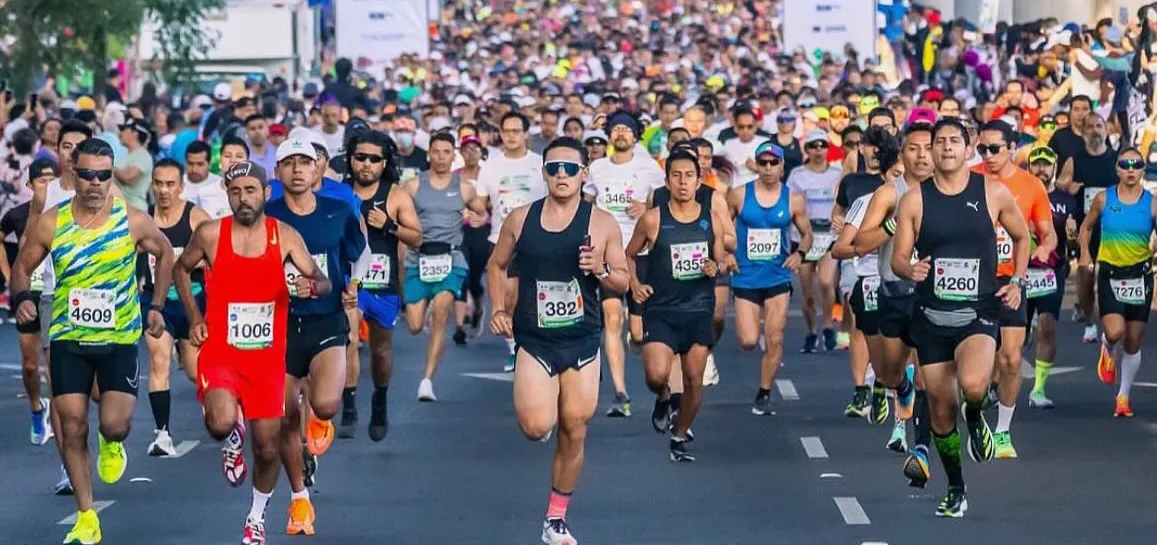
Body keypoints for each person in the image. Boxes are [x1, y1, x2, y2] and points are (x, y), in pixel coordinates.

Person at [11, 137, 173, 543]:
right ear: (73, 174)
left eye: (103, 174)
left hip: (118, 338)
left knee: (114, 424)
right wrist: (21, 299)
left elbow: (165, 252)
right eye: (87, 175)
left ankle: (112, 442)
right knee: (71, 424)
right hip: (68, 336)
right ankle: (86, 515)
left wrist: (155, 305)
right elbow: (21, 266)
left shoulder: (132, 219)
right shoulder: (52, 222)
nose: (96, 183)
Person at [174, 160, 332, 544]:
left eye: (250, 190)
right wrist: (195, 316)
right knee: (220, 422)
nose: (243, 198)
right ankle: (230, 440)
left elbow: (321, 279)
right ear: (227, 195)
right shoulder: (211, 234)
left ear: (265, 193)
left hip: (266, 360)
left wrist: (317, 288)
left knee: (266, 448)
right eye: (235, 191)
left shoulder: (285, 236)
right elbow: (181, 269)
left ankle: (256, 517)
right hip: (222, 353)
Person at [486, 137, 629, 545]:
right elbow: (496, 265)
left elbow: (623, 278)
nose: (562, 175)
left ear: (585, 173)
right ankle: (541, 411)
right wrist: (498, 309)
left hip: (582, 340)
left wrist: (600, 268)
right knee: (535, 427)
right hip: (535, 339)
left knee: (575, 428)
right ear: (543, 173)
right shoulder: (520, 218)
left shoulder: (601, 222)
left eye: (570, 168)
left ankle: (556, 519)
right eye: (554, 168)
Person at [890, 118, 1029, 518]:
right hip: (932, 316)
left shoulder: (992, 192)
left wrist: (1017, 279)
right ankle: (956, 487)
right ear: (930, 151)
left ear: (969, 149)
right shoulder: (915, 199)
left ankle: (976, 413)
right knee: (940, 409)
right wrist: (908, 270)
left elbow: (1023, 237)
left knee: (971, 386)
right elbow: (900, 257)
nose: (947, 147)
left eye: (955, 141)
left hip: (978, 312)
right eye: (940, 142)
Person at [265, 138, 367, 535]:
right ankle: (299, 499)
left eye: (304, 162)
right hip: (280, 325)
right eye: (288, 163)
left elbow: (362, 251)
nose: (296, 169)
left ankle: (320, 420)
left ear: (318, 169)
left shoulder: (339, 211)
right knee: (286, 417)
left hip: (327, 320)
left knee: (324, 404)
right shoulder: (266, 214)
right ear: (277, 173)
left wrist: (354, 284)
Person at [627, 147, 726, 462]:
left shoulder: (711, 219)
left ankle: (679, 435)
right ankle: (664, 396)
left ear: (699, 181)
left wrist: (715, 267)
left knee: (695, 379)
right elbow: (629, 255)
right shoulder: (653, 219)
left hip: (698, 307)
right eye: (676, 176)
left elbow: (721, 258)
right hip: (662, 309)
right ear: (667, 181)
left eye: (689, 176)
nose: (683, 182)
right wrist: (635, 285)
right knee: (656, 375)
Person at [853, 122, 936, 487]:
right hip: (894, 293)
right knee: (888, 374)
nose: (922, 155)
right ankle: (898, 387)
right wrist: (892, 226)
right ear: (902, 154)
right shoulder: (890, 193)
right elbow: (859, 243)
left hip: (936, 297)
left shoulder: (957, 190)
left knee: (931, 376)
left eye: (928, 147)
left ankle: (921, 450)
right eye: (913, 148)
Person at [973, 120, 1057, 459]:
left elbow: (1046, 232)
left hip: (1011, 281)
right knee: (974, 366)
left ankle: (1003, 431)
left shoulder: (1030, 185)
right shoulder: (969, 179)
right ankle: (975, 414)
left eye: (995, 148)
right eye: (982, 149)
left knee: (1010, 358)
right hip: (972, 280)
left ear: (1011, 147)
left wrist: (1041, 248)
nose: (988, 156)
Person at [582, 111, 665, 417]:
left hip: (640, 255)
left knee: (640, 334)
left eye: (626, 130)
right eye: (615, 129)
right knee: (611, 319)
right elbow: (586, 206)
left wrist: (646, 206)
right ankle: (620, 393)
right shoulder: (598, 168)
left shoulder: (648, 168)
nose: (620, 133)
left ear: (635, 137)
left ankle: (657, 380)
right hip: (607, 255)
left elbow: (664, 202)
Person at [727, 142, 810, 416]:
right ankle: (762, 381)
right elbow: (723, 229)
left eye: (773, 163)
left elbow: (807, 233)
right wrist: (725, 255)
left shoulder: (793, 199)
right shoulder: (739, 195)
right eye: (763, 163)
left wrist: (800, 254)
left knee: (774, 336)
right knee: (749, 340)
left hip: (777, 275)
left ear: (782, 165)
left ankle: (764, 392)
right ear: (756, 165)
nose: (768, 168)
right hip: (746, 276)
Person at [349, 130, 421, 439]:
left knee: (380, 349)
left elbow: (417, 237)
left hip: (383, 281)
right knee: (349, 339)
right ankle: (348, 404)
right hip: (350, 281)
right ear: (350, 160)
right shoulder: (338, 193)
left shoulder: (396, 195)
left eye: (373, 159)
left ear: (384, 163)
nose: (366, 164)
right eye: (360, 157)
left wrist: (389, 226)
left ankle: (379, 400)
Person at [140, 159, 211, 456]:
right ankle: (162, 434)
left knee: (196, 372)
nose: (164, 190)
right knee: (159, 360)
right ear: (152, 185)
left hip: (193, 302)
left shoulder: (195, 218)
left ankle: (220, 409)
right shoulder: (142, 221)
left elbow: (217, 255)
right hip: (157, 304)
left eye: (170, 184)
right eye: (158, 183)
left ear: (181, 187)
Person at [1079, 148, 1157, 418]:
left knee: (1134, 339)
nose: (1131, 169)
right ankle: (1107, 347)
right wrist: (1085, 254)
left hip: (1141, 275)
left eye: (1137, 165)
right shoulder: (1104, 198)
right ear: (1118, 169)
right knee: (1114, 332)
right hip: (1111, 273)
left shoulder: (1152, 202)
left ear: (1143, 170)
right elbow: (1086, 227)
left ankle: (1123, 397)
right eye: (1126, 165)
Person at [470, 112, 546, 371]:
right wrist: (475, 211)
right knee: (510, 297)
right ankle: (514, 347)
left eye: (516, 131)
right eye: (506, 131)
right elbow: (481, 202)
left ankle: (536, 343)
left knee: (535, 295)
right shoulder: (490, 166)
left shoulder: (540, 164)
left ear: (526, 134)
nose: (511, 136)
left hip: (537, 238)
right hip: (501, 237)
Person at [832, 127, 896, 423]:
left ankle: (891, 386)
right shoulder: (861, 195)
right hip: (867, 275)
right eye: (895, 174)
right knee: (863, 329)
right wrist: (872, 240)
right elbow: (841, 247)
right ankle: (864, 387)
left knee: (905, 340)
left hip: (903, 278)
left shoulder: (919, 199)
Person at [403, 133, 474, 401]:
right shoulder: (412, 186)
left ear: (453, 155)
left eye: (447, 152)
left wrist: (479, 214)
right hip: (417, 259)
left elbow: (481, 207)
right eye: (437, 151)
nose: (442, 157)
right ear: (428, 154)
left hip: (451, 259)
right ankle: (428, 307)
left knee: (442, 312)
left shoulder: (465, 187)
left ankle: (427, 381)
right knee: (413, 325)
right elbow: (399, 213)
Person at [0, 158, 57, 446]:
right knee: (31, 365)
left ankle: (59, 418)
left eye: (51, 180)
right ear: (29, 184)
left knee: (52, 363)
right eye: (41, 181)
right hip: (25, 294)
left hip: (54, 294)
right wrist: (9, 275)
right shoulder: (17, 215)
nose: (47, 186)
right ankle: (37, 408)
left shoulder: (65, 215)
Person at [1055, 113, 1117, 343]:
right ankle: (1090, 323)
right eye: (1089, 127)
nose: (1094, 130)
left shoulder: (1116, 159)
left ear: (1106, 130)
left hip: (1112, 227)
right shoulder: (1075, 160)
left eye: (1098, 126)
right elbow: (1060, 185)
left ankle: (1111, 322)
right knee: (1085, 274)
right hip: (1085, 227)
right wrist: (1068, 187)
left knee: (1109, 277)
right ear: (1083, 132)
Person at [1024, 145, 1076, 409]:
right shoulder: (1016, 195)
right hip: (1019, 272)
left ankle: (1039, 389)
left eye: (1046, 165)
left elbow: (1074, 244)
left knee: (1047, 326)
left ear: (1054, 167)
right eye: (1036, 164)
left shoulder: (1067, 201)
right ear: (1029, 166)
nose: (1041, 170)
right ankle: (997, 383)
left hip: (1050, 272)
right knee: (1016, 335)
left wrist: (1072, 235)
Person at [786, 128, 843, 352]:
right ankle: (811, 332)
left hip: (829, 235)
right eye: (813, 146)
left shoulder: (837, 173)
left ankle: (828, 325)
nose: (818, 150)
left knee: (827, 282)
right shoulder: (798, 175)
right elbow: (791, 203)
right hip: (805, 236)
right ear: (807, 149)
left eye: (822, 145)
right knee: (808, 293)